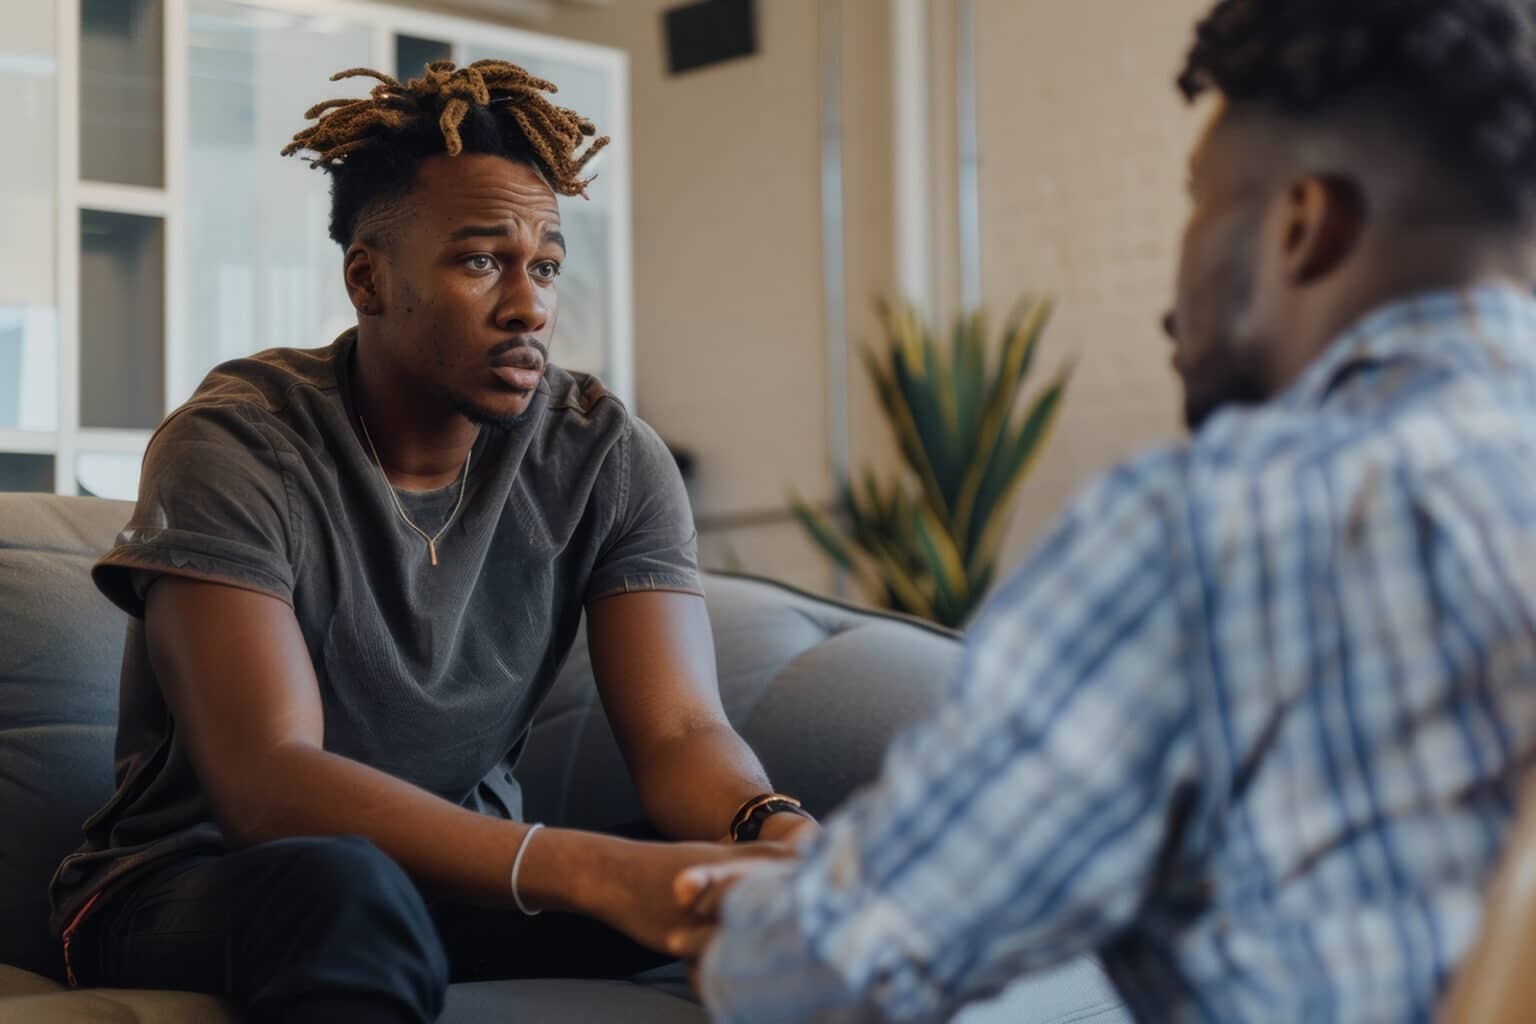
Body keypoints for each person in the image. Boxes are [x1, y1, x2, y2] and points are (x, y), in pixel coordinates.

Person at [675, 1, 1536, 1019]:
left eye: (1197, 201)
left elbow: (828, 976)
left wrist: (734, 927)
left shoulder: (1217, 526)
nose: (1173, 293)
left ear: (1304, 226)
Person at [48, 59, 812, 1023]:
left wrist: (767, 830)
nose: (530, 306)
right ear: (368, 278)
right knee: (348, 893)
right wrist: (593, 871)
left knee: (734, 897)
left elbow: (681, 733)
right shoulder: (238, 442)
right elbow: (268, 782)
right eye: (481, 260)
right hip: (195, 885)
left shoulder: (604, 455)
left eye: (544, 267)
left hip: (462, 877)